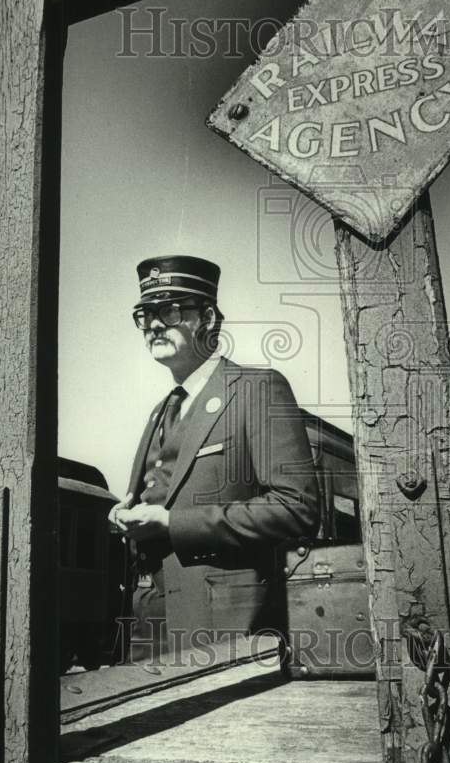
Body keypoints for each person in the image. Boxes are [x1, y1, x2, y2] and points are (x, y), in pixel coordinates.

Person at [111, 254, 319, 661]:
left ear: (206, 317)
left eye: (170, 311)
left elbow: (298, 507)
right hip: (150, 616)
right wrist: (129, 510)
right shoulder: (160, 410)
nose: (154, 324)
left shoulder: (258, 389)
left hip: (224, 621)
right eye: (145, 314)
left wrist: (172, 524)